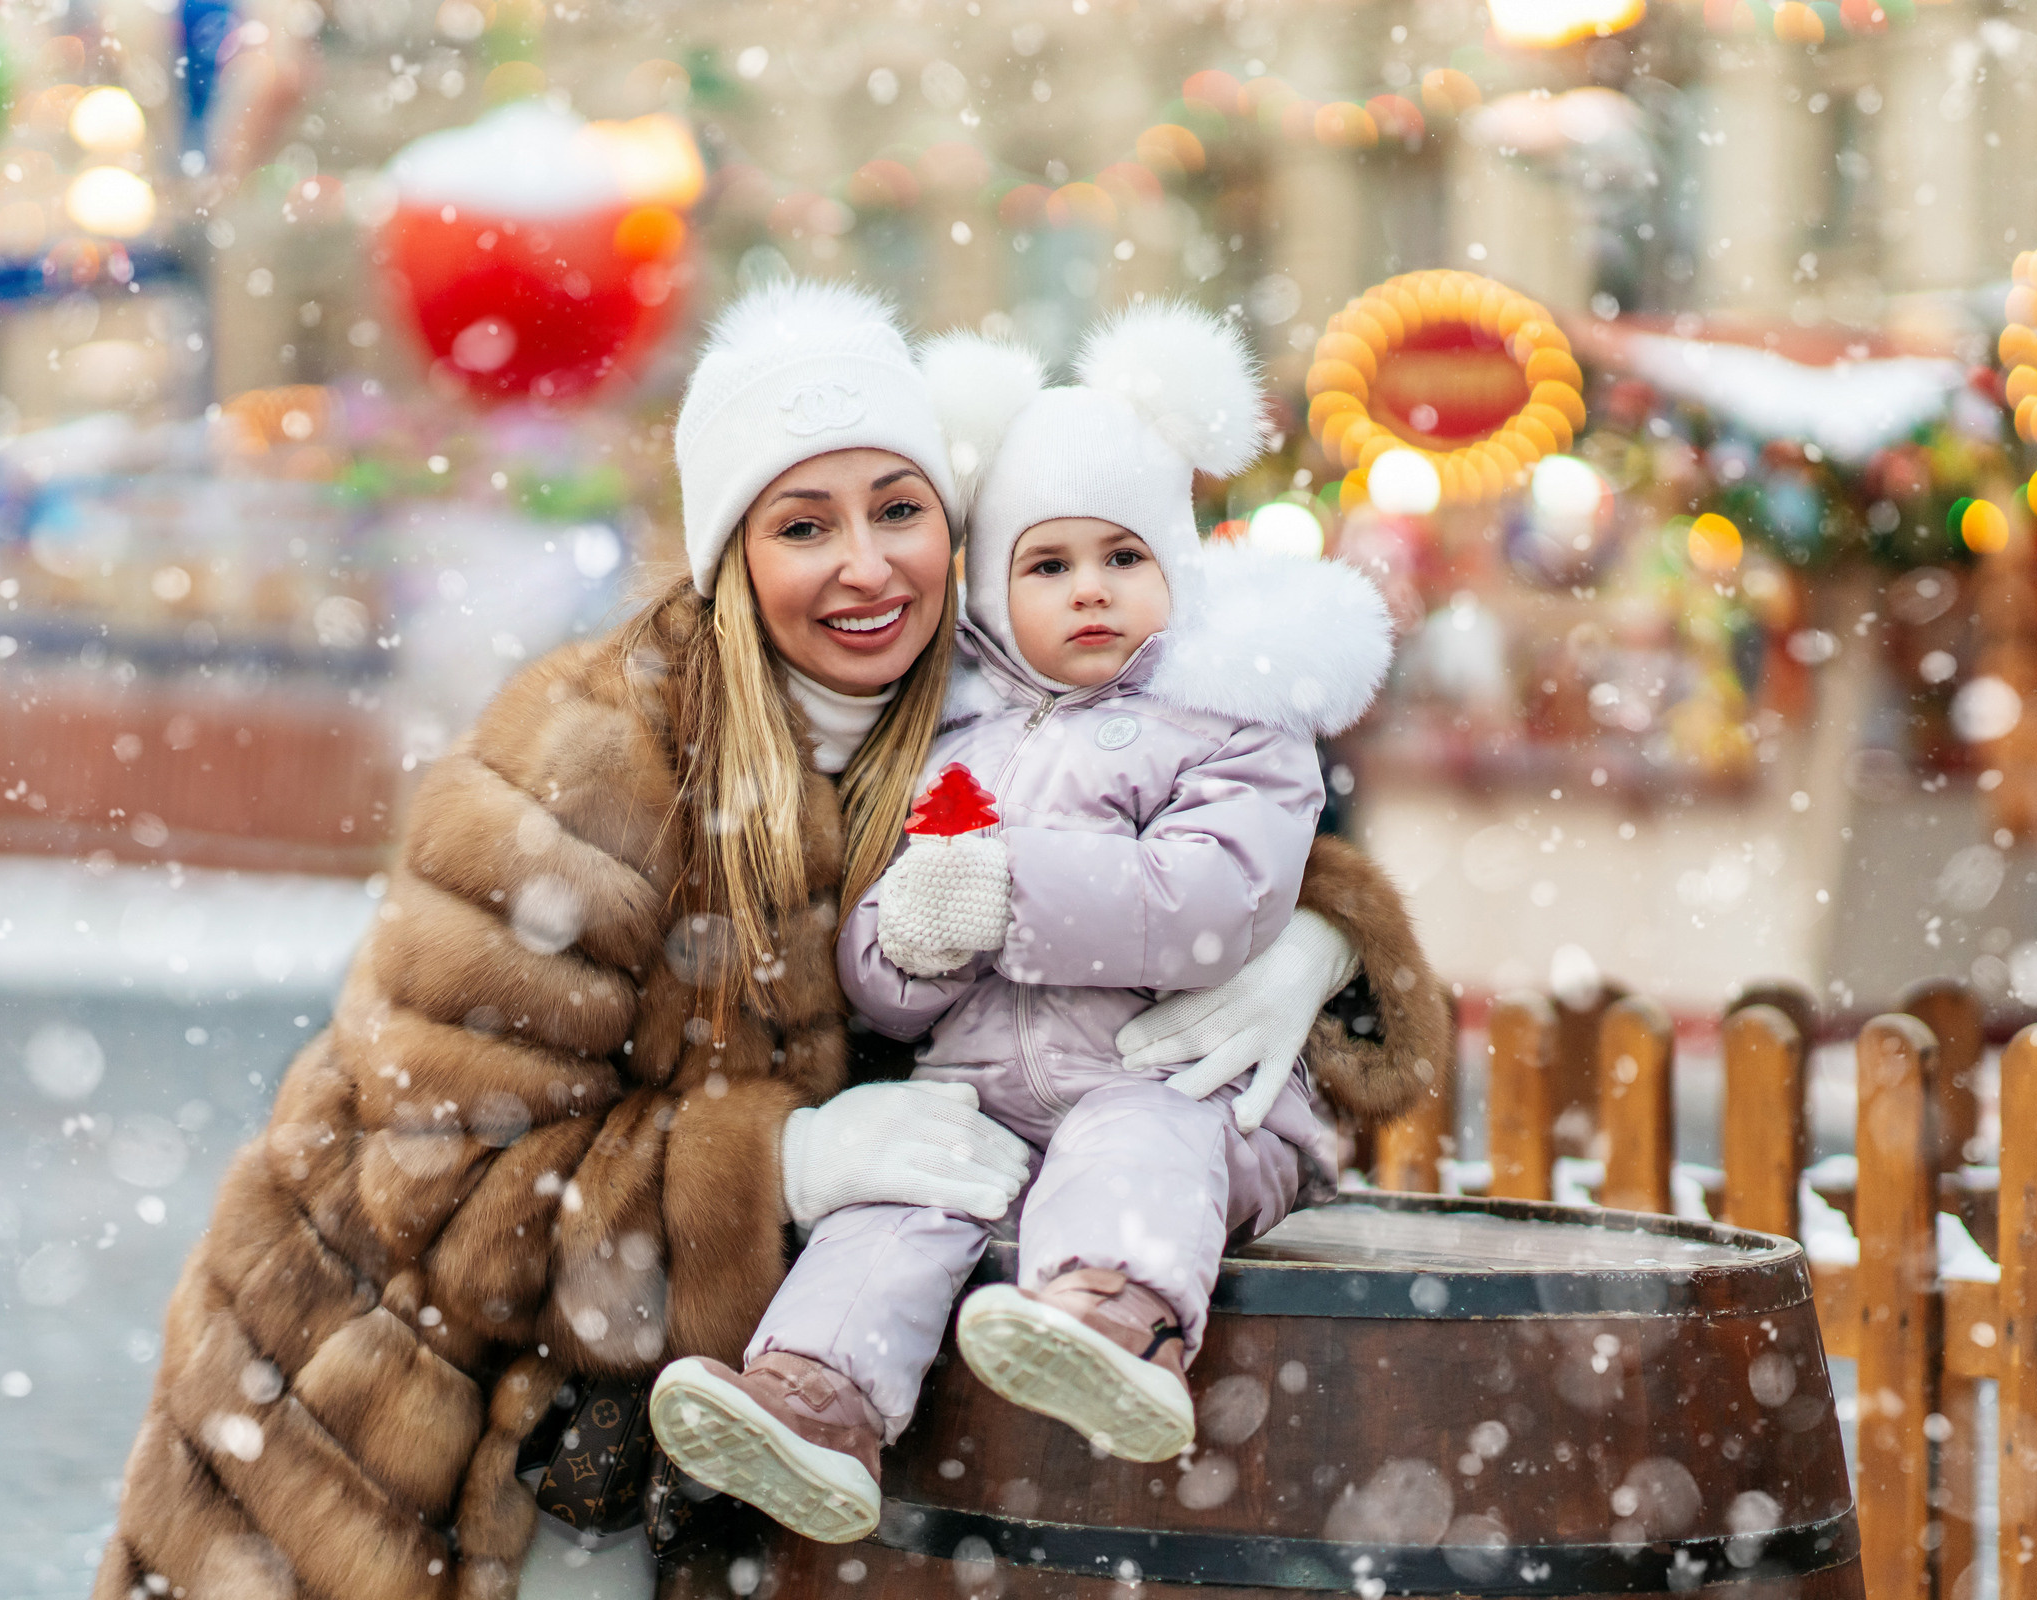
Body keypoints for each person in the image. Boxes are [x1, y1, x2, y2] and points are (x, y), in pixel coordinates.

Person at [96, 280, 1445, 1600]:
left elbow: (1183, 840)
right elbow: (442, 1187)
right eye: (806, 524)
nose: (866, 564)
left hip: (676, 1436)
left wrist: (1319, 942)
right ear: (733, 553)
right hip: (387, 1442)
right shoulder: (591, 767)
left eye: (900, 510)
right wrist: (777, 1168)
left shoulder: (967, 716)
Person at [646, 304, 1398, 1543]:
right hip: (985, 1097)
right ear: (996, 588)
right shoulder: (948, 737)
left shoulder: (1231, 716)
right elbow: (890, 976)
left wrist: (1323, 938)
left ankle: (1119, 1320)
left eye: (1124, 558)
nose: (1091, 593)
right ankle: (816, 1399)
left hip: (1176, 1084)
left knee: (1138, 1139)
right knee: (892, 1209)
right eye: (1049, 566)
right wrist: (909, 946)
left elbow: (1218, 896)